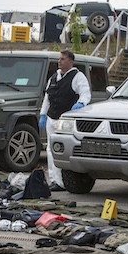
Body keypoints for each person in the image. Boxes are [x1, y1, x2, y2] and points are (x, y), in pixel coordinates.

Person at [38, 50, 90, 189]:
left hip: (66, 120)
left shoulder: (78, 76)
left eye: (63, 59)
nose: (59, 61)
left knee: (65, 150)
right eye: (59, 59)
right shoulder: (54, 78)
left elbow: (85, 94)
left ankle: (66, 180)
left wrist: (81, 104)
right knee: (50, 149)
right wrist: (43, 114)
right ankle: (55, 180)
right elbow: (47, 98)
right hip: (51, 117)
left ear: (70, 62)